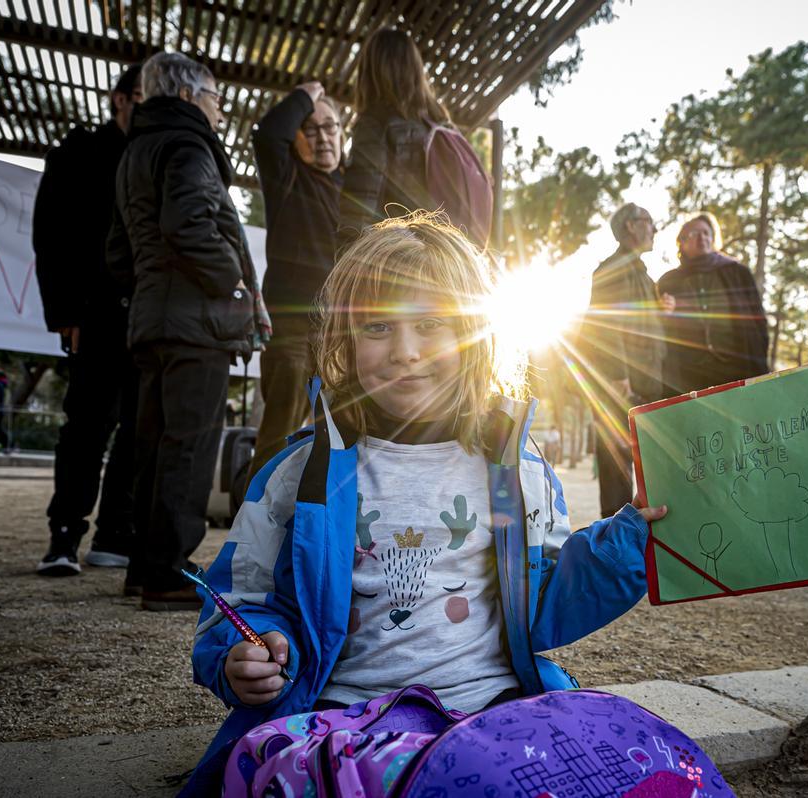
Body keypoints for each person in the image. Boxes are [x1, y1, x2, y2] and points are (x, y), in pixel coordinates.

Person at [183, 213, 667, 792]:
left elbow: (548, 601)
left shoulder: (518, 470)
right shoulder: (297, 474)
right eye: (377, 327)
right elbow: (239, 597)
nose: (405, 352)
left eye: (431, 324)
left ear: (477, 335)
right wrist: (243, 651)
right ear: (344, 341)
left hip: (493, 710)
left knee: (631, 763)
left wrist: (627, 543)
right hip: (342, 719)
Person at [107, 52, 265, 610]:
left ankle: (145, 565)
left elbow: (118, 251)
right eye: (216, 97)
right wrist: (233, 284)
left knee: (152, 444)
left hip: (152, 318)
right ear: (188, 95)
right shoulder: (189, 145)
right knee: (189, 446)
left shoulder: (135, 151)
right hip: (195, 322)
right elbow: (189, 223)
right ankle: (168, 572)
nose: (219, 110)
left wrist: (156, 287)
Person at [32, 64, 142, 577]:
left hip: (148, 314)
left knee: (138, 429)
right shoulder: (77, 152)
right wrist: (65, 312)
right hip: (93, 311)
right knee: (86, 426)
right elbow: (50, 236)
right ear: (119, 98)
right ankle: (64, 535)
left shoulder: (156, 153)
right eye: (142, 95)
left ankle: (115, 534)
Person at [247, 80, 343, 479]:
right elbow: (268, 135)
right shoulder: (288, 178)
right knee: (278, 438)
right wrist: (309, 93)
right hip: (292, 331)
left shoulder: (354, 187)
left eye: (330, 127)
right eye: (310, 129)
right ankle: (254, 514)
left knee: (336, 439)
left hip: (340, 333)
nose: (323, 138)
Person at [582, 202, 669, 517]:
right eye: (648, 221)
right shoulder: (613, 268)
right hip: (620, 388)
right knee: (617, 475)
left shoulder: (642, 275)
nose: (654, 229)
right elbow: (604, 326)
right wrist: (618, 375)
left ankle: (643, 541)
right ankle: (615, 542)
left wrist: (661, 308)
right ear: (631, 226)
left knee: (650, 475)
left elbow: (639, 324)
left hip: (646, 386)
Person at [337, 27, 444, 244]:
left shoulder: (375, 122)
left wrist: (345, 253)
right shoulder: (439, 124)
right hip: (441, 250)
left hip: (396, 251)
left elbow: (360, 205)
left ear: (370, 71)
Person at [658, 212, 769, 395]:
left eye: (706, 233)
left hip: (737, 369)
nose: (702, 237)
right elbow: (658, 327)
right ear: (682, 242)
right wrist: (663, 313)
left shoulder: (737, 273)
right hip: (689, 376)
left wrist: (759, 363)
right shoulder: (669, 281)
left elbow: (758, 323)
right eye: (694, 234)